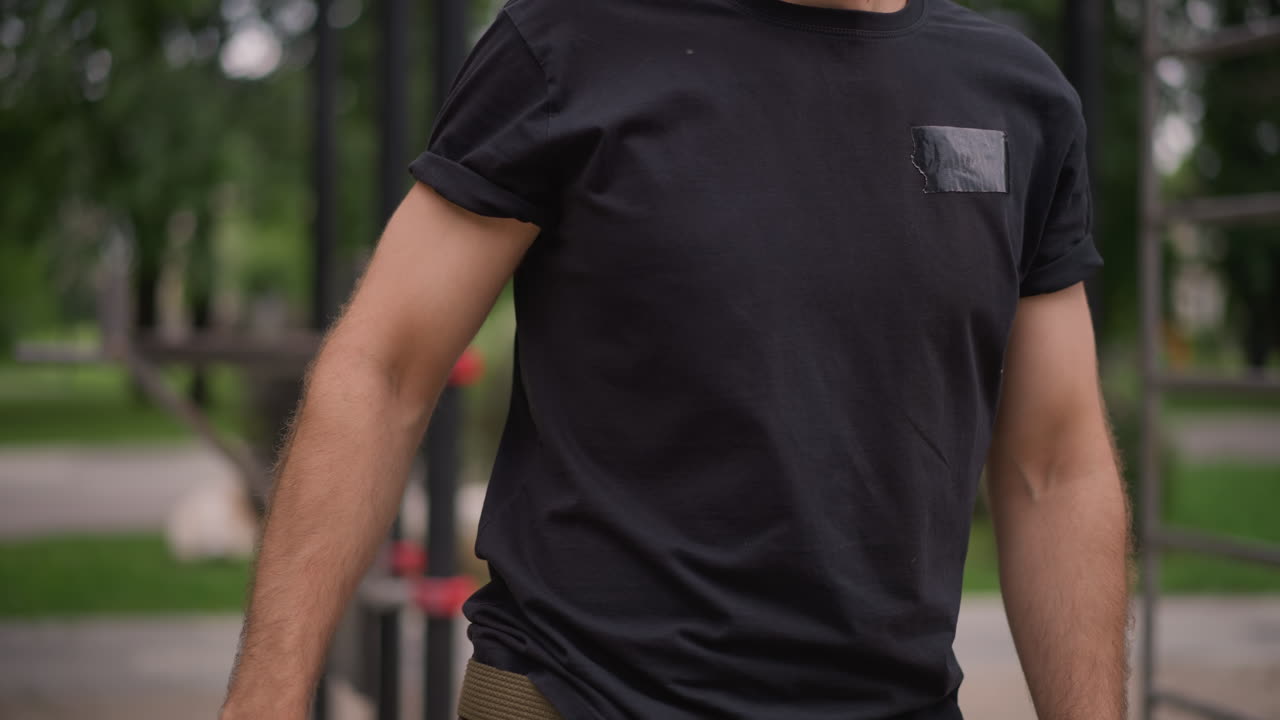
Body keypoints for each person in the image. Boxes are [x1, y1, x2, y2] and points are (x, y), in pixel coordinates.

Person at [220, 0, 1131, 718]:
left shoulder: (1016, 96)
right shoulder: (571, 42)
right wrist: (264, 700)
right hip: (579, 696)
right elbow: (381, 371)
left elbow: (1055, 463)